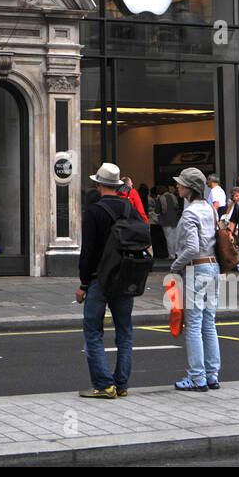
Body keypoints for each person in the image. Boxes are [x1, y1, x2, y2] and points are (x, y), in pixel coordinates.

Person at [76, 163, 142, 399]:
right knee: (125, 332)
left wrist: (83, 284)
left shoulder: (94, 212)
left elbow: (88, 252)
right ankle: (121, 384)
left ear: (98, 184)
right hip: (125, 278)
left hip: (99, 279)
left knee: (93, 332)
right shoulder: (129, 209)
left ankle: (104, 385)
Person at [169, 167, 221, 392]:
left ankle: (197, 376)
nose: (177, 186)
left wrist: (174, 266)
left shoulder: (190, 213)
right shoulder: (210, 209)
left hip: (196, 269)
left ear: (190, 188)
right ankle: (212, 374)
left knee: (193, 325)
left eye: (181, 184)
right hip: (212, 266)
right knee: (209, 323)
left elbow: (191, 247)